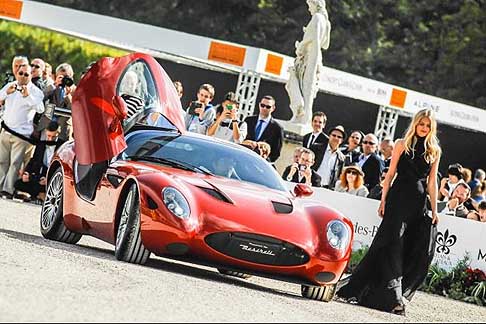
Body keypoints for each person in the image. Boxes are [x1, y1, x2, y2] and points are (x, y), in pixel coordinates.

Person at [337, 108, 442, 315]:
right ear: (415, 123)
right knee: (391, 243)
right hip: (397, 199)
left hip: (418, 204)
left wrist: (435, 209)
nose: (424, 128)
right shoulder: (402, 144)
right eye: (421, 124)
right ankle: (394, 297)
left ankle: (383, 293)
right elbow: (391, 174)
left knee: (407, 248)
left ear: (432, 128)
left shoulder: (434, 150)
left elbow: (432, 183)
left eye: (428, 125)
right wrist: (383, 199)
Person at [0, 64, 44, 199]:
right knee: (2, 161)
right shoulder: (10, 86)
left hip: (21, 135)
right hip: (6, 130)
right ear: (16, 73)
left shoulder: (35, 91)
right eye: (21, 73)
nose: (23, 76)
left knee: (15, 163)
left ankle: (8, 190)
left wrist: (28, 97)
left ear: (31, 75)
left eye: (26, 74)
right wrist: (6, 93)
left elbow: (41, 109)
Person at [285, 0, 331, 125]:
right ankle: (301, 116)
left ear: (315, 5)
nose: (308, 8)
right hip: (314, 58)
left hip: (310, 58)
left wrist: (301, 46)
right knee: (307, 90)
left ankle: (301, 115)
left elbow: (313, 40)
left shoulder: (317, 17)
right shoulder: (326, 22)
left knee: (300, 87)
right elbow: (325, 44)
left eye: (309, 5)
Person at [13, 121, 63, 203]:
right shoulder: (41, 144)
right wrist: (27, 172)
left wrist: (48, 178)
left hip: (52, 177)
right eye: (49, 136)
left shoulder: (62, 146)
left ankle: (39, 196)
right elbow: (34, 159)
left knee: (47, 187)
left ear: (58, 134)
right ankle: (39, 196)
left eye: (53, 137)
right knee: (19, 183)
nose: (50, 139)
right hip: (38, 176)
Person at [243, 95, 283, 163]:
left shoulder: (277, 128)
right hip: (243, 158)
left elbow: (276, 153)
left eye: (268, 107)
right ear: (259, 105)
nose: (264, 108)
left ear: (273, 108)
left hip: (260, 163)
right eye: (262, 105)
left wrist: (263, 160)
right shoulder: (248, 120)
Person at [315, 125, 346, 189]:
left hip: (326, 188)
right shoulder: (316, 148)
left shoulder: (341, 157)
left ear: (342, 140)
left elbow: (338, 175)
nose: (336, 138)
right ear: (329, 136)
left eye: (339, 137)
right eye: (334, 135)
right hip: (312, 184)